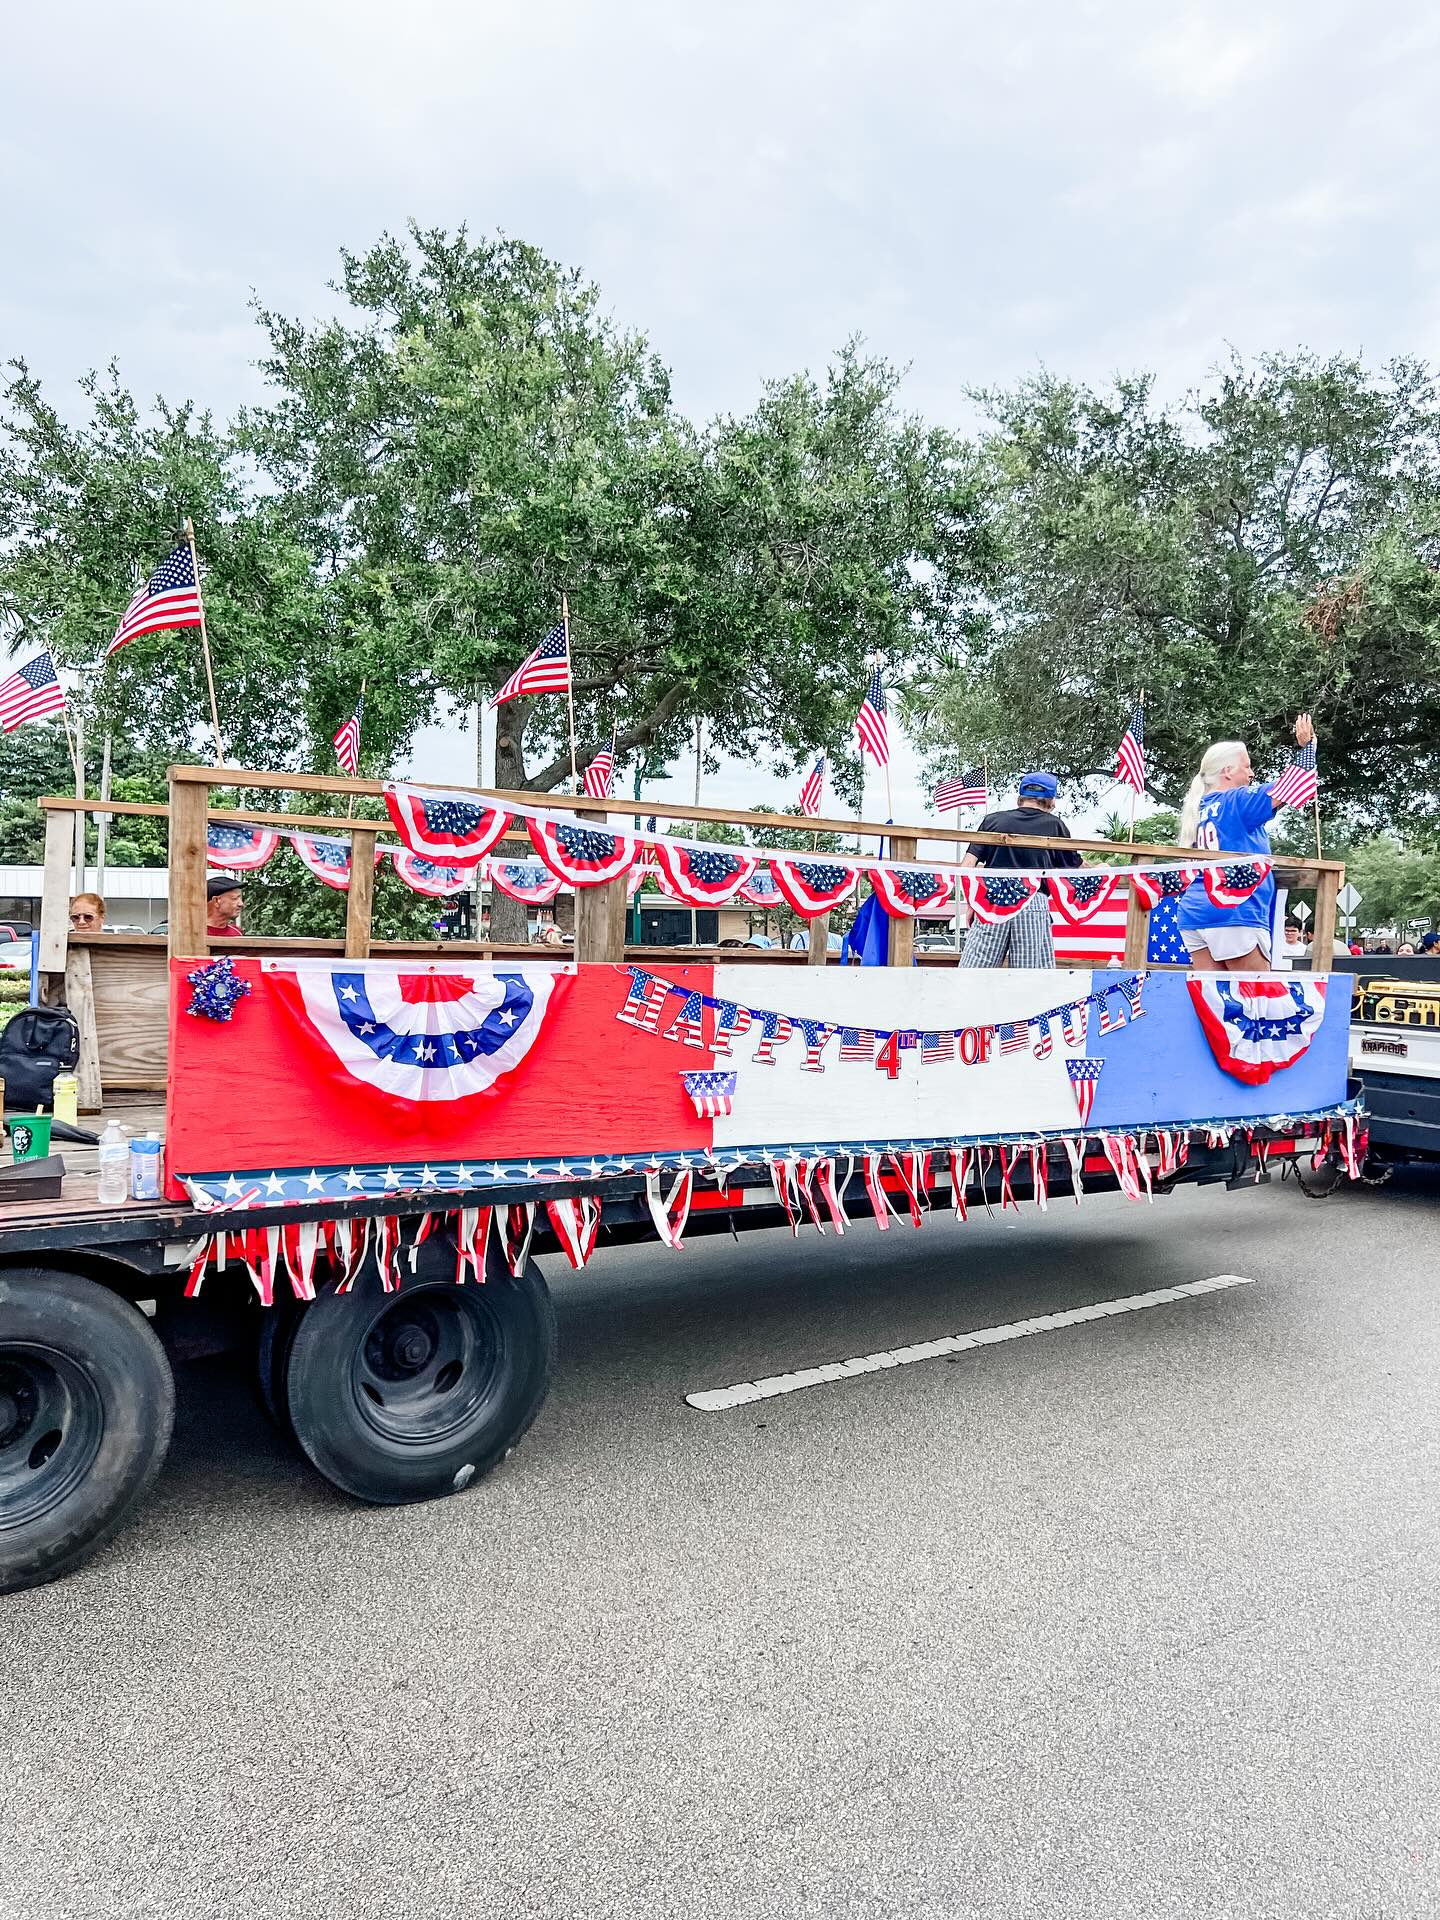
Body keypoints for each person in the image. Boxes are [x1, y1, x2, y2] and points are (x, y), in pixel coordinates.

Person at [1175, 715, 1314, 972]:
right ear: (1227, 771)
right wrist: (1308, 748)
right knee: (1256, 999)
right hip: (1235, 910)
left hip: (1195, 910)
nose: (1251, 773)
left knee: (1215, 1002)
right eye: (1247, 766)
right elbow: (1293, 786)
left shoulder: (1197, 809)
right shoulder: (1236, 801)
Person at [958, 771, 1081, 968]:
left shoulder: (993, 820)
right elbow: (1075, 867)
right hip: (1033, 901)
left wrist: (974, 903)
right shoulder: (1056, 826)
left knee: (975, 973)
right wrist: (1102, 868)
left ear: (1019, 798)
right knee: (1030, 981)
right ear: (1051, 801)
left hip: (993, 900)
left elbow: (966, 867)